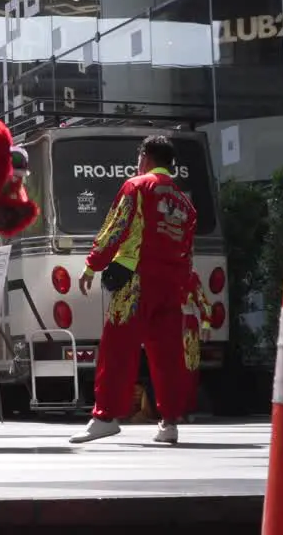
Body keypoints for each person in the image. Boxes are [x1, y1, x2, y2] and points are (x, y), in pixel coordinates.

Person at [71, 135, 198, 445]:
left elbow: (116, 226)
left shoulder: (138, 186)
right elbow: (187, 250)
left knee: (117, 348)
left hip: (136, 281)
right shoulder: (185, 203)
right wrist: (185, 287)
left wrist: (92, 265)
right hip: (170, 285)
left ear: (145, 158)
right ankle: (169, 423)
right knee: (168, 354)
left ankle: (105, 417)